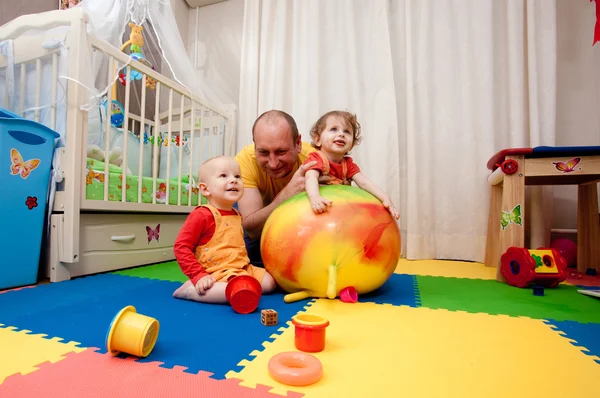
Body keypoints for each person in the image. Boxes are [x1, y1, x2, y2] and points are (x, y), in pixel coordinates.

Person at [172, 155, 276, 303]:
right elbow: (181, 247)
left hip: (241, 269)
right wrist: (198, 275)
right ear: (205, 189)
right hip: (215, 273)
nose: (233, 180)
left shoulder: (237, 214)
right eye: (223, 176)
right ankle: (190, 291)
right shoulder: (201, 215)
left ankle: (238, 286)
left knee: (269, 283)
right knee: (232, 291)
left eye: (237, 176)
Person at [234, 110, 330, 266]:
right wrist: (287, 195)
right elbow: (252, 230)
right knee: (243, 252)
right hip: (257, 213)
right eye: (263, 152)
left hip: (296, 219)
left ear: (298, 143)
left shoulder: (316, 161)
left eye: (281, 151)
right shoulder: (244, 161)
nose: (273, 163)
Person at [303, 110, 400, 220]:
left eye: (347, 132)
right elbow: (310, 177)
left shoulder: (348, 164)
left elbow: (364, 183)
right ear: (317, 139)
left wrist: (384, 197)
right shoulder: (317, 158)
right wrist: (314, 197)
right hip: (319, 208)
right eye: (333, 129)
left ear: (351, 145)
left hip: (338, 210)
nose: (341, 134)